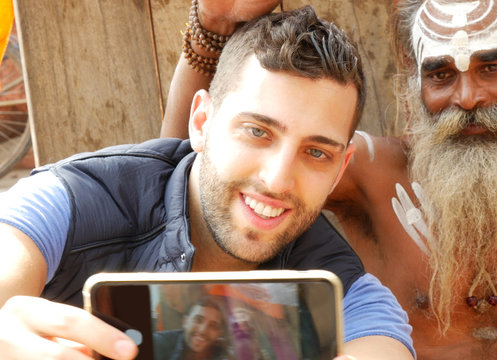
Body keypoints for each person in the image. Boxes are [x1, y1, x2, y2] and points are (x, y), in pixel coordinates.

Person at [159, 0, 497, 358]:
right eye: (441, 74)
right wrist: (210, 29)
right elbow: (191, 175)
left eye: (493, 67)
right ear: (415, 81)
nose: (467, 96)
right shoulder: (371, 173)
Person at [0, 6, 416, 360]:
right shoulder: (70, 201)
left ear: (339, 171)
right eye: (257, 132)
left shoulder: (348, 294)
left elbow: (380, 344)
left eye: (316, 153)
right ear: (201, 123)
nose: (276, 179)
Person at [153, 296, 230, 360]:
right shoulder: (158, 344)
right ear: (185, 322)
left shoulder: (224, 355)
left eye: (213, 326)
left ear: (219, 334)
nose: (203, 330)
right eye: (198, 320)